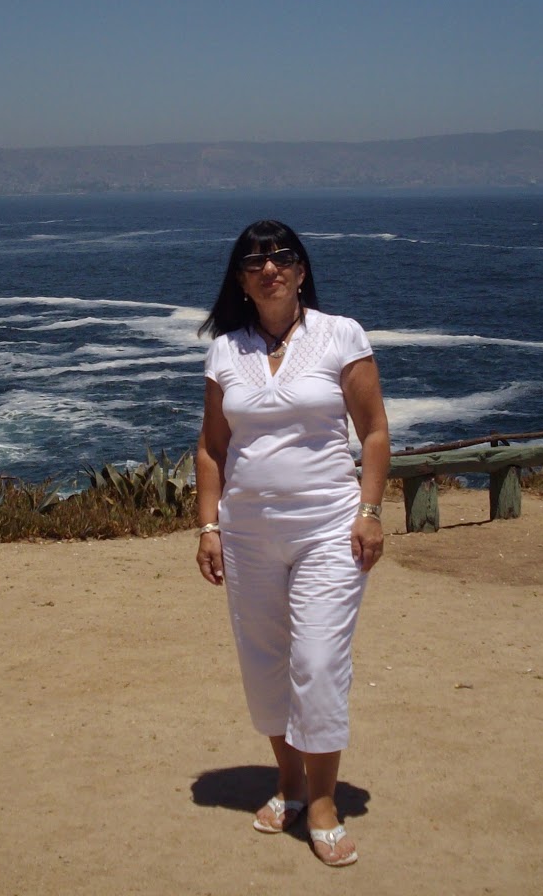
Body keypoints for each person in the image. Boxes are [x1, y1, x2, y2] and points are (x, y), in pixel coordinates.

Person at [194, 219, 389, 868]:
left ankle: (325, 801)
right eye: (254, 262)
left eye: (281, 257)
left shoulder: (341, 335)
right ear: (241, 281)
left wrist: (369, 511)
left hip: (328, 528)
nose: (269, 268)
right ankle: (289, 781)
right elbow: (211, 448)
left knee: (318, 660)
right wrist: (208, 526)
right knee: (265, 660)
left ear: (301, 270)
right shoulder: (226, 352)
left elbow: (374, 431)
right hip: (247, 533)